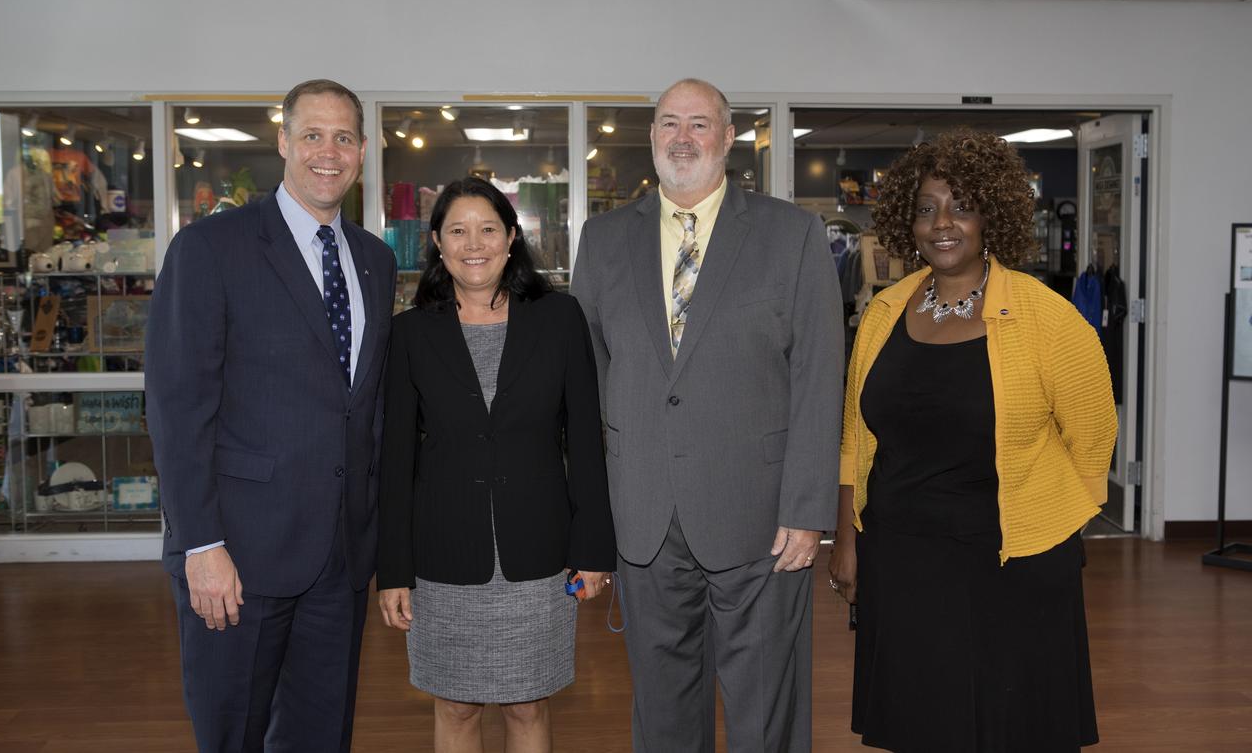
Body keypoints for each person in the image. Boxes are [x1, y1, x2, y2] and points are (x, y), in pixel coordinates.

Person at [570, 78, 844, 752]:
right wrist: (591, 519)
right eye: (669, 123)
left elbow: (818, 376)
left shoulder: (792, 234)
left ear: (728, 139)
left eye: (699, 124)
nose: (683, 137)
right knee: (662, 710)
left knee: (765, 710)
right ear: (652, 138)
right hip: (643, 518)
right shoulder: (603, 240)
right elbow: (586, 380)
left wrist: (808, 509)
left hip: (762, 519)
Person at [828, 130, 1117, 752]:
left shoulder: (1047, 317)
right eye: (927, 208)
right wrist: (847, 540)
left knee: (1007, 728)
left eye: (961, 206)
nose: (943, 224)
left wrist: (1057, 532)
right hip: (902, 559)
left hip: (1011, 562)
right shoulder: (883, 313)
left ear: (993, 213)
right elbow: (856, 433)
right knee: (919, 724)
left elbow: (1093, 438)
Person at [146, 79, 396, 752]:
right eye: (312, 134)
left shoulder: (374, 259)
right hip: (238, 557)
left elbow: (362, 410)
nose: (328, 151)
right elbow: (177, 407)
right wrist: (200, 544)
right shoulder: (209, 249)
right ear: (283, 142)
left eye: (344, 137)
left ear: (363, 151)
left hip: (339, 561)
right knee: (233, 733)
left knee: (322, 736)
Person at [376, 177, 616, 753]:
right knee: (455, 706)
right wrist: (393, 570)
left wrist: (594, 550)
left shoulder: (559, 318)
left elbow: (585, 440)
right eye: (457, 231)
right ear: (437, 242)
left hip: (539, 555)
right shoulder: (410, 332)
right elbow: (395, 459)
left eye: (487, 228)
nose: (473, 243)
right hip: (443, 556)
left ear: (512, 237)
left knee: (527, 705)